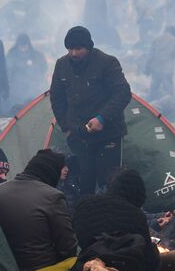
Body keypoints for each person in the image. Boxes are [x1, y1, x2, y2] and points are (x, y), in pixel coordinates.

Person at [50, 26, 131, 195]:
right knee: (84, 183)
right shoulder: (62, 65)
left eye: (78, 49)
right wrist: (66, 127)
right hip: (78, 136)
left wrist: (102, 118)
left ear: (88, 47)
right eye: (70, 49)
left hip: (108, 134)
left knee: (108, 183)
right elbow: (57, 98)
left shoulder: (107, 63)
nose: (73, 53)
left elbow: (123, 93)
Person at [0, 149, 77, 270]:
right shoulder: (53, 197)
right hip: (45, 267)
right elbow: (68, 246)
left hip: (4, 266)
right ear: (51, 172)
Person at [72, 169, 160, 271]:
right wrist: (155, 249)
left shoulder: (83, 205)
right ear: (137, 191)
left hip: (86, 264)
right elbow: (149, 260)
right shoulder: (135, 214)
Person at [6, 33, 47, 107]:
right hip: (16, 88)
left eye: (25, 46)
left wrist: (39, 79)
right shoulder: (12, 54)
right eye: (21, 46)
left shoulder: (35, 55)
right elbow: (7, 69)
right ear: (18, 45)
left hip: (31, 87)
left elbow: (43, 67)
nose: (23, 48)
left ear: (28, 45)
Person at [146, 26, 175, 101]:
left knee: (153, 90)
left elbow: (150, 55)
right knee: (168, 92)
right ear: (173, 32)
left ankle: (150, 106)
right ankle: (170, 106)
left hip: (155, 68)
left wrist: (147, 68)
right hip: (167, 70)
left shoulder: (156, 39)